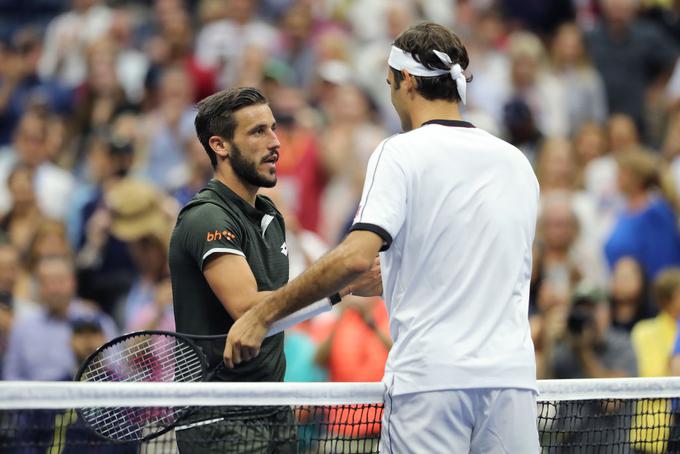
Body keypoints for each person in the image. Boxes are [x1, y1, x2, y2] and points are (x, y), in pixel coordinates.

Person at [224, 23, 541, 453]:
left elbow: (355, 257)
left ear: (406, 82)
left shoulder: (399, 152)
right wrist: (394, 275)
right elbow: (486, 263)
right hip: (512, 384)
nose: (390, 94)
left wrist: (263, 315)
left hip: (431, 385)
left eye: (390, 82)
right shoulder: (516, 162)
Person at [168, 86, 379, 453]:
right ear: (220, 146)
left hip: (274, 407)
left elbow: (275, 311)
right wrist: (341, 286)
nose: (276, 142)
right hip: (221, 416)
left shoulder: (269, 214)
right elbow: (249, 309)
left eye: (273, 128)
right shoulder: (207, 217)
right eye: (258, 132)